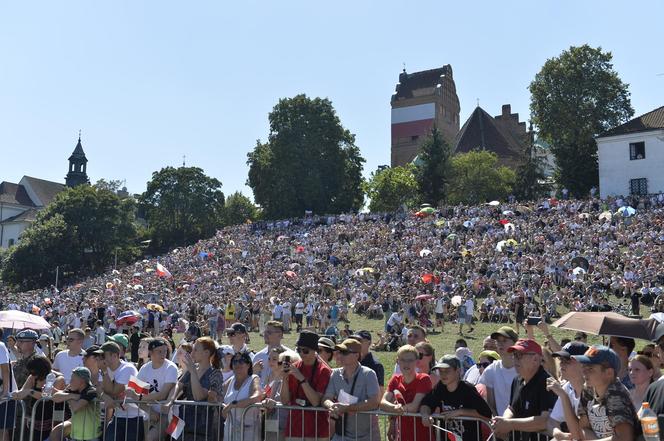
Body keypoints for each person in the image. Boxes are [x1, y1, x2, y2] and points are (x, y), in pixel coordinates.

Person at [491, 339, 557, 441]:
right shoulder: (517, 380)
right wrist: (503, 421)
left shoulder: (547, 383)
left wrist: (509, 424)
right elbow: (512, 408)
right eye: (514, 355)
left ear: (535, 359)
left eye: (519, 355)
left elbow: (545, 421)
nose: (515, 359)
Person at [574, 346, 640, 441]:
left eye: (590, 368)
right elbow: (583, 427)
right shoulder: (588, 390)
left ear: (609, 373)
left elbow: (625, 438)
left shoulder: (616, 396)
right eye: (584, 366)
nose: (584, 372)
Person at [421, 355, 492, 441]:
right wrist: (425, 415)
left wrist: (460, 412)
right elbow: (426, 403)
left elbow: (486, 414)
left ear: (458, 370)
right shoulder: (440, 387)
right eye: (440, 371)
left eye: (447, 371)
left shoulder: (467, 389)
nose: (443, 374)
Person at [322, 338, 381, 441]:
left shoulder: (369, 374)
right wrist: (331, 406)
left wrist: (347, 408)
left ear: (356, 355)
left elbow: (374, 402)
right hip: (341, 433)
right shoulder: (335, 374)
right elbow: (326, 398)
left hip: (367, 436)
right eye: (339, 352)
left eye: (345, 352)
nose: (339, 355)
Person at [281, 330, 332, 441]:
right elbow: (285, 401)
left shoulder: (324, 371)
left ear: (315, 351)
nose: (301, 354)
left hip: (317, 431)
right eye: (299, 350)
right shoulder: (294, 367)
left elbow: (315, 402)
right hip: (294, 429)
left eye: (305, 350)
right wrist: (284, 379)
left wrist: (301, 379)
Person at [124, 337, 178, 441]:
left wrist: (138, 397)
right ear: (151, 352)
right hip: (149, 413)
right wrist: (149, 411)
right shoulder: (145, 368)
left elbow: (163, 395)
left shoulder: (171, 367)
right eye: (159, 351)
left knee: (150, 438)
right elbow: (133, 391)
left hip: (167, 414)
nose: (163, 354)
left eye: (165, 351)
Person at [172, 336, 224, 439]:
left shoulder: (215, 373)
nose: (192, 352)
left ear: (206, 353)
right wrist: (170, 400)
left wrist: (192, 372)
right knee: (171, 438)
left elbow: (198, 397)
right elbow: (178, 385)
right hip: (182, 418)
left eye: (196, 349)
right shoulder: (193, 368)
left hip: (202, 426)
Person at [381, 345, 433, 441]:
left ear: (417, 362)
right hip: (402, 434)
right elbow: (382, 402)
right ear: (397, 361)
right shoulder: (395, 379)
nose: (406, 364)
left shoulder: (423, 379)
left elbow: (414, 407)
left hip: (422, 435)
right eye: (403, 360)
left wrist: (393, 410)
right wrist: (393, 409)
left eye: (410, 360)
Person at [12, 355, 65, 441]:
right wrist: (15, 394)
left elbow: (48, 396)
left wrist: (30, 392)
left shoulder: (58, 378)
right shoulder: (33, 377)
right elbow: (22, 392)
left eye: (34, 373)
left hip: (55, 418)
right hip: (38, 419)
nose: (32, 375)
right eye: (31, 373)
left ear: (42, 370)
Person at [99, 341, 143, 441]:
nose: (100, 358)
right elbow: (99, 388)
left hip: (135, 417)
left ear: (114, 356)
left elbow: (113, 391)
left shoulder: (127, 368)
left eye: (103, 355)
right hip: (119, 415)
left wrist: (105, 372)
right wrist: (105, 395)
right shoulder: (106, 369)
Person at [546, 341, 588, 440]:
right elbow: (552, 421)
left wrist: (563, 395)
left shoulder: (593, 391)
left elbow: (579, 435)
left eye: (567, 360)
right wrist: (559, 434)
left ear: (584, 364)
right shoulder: (568, 387)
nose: (561, 364)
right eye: (561, 360)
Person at [51, 366, 101, 441]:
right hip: (75, 436)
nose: (70, 381)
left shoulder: (91, 391)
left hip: (91, 437)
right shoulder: (73, 390)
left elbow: (76, 407)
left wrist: (68, 397)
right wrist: (72, 395)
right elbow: (55, 397)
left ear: (81, 381)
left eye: (73, 379)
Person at [222, 352, 263, 441]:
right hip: (230, 430)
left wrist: (234, 404)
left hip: (249, 432)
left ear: (248, 364)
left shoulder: (253, 378)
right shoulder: (229, 381)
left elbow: (257, 396)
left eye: (241, 361)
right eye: (235, 362)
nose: (237, 364)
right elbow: (220, 401)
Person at [478, 326, 518, 416]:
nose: (500, 344)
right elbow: (491, 404)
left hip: (523, 425)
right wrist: (499, 423)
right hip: (501, 425)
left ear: (515, 343)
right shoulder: (490, 370)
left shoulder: (523, 368)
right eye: (498, 341)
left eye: (504, 341)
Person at [253, 321, 289, 386]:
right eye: (265, 332)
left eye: (269, 332)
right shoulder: (258, 356)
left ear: (280, 335)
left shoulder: (288, 355)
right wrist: (254, 371)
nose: (265, 334)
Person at [0, 329, 17, 441]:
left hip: (5, 396)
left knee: (3, 429)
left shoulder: (0, 346)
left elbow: (5, 369)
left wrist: (5, 392)